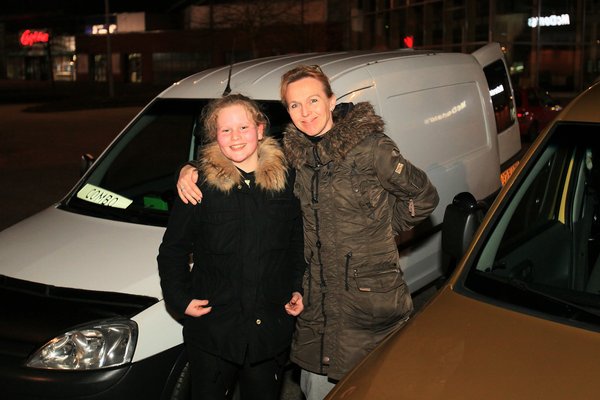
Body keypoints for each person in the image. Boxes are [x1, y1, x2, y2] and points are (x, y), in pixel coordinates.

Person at [177, 66, 439, 400]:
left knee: (374, 385)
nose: (306, 112)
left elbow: (424, 197)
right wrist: (189, 170)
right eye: (295, 105)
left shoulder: (372, 148)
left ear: (331, 101)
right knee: (316, 390)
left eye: (313, 100)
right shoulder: (294, 156)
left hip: (369, 300)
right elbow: (241, 153)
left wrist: (380, 231)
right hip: (318, 303)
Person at [157, 94, 306, 400]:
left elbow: (297, 244)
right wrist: (180, 299)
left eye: (243, 127)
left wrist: (298, 287)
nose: (235, 137)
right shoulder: (200, 184)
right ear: (215, 136)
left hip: (268, 330)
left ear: (260, 130)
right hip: (214, 332)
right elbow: (173, 249)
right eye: (226, 130)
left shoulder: (287, 180)